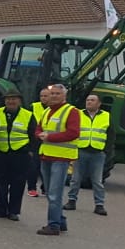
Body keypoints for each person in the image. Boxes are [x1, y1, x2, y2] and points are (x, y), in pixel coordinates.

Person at [33, 83, 81, 236]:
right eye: (51, 93)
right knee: (49, 191)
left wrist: (49, 137)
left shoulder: (71, 111)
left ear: (64, 96)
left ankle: (53, 225)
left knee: (54, 192)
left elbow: (73, 133)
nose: (53, 96)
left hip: (61, 157)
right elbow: (39, 128)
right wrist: (39, 134)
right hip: (46, 154)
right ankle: (60, 221)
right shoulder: (47, 111)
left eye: (57, 94)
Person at [0, 91, 33, 221]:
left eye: (13, 99)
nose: (10, 101)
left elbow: (32, 134)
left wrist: (30, 151)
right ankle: (0, 209)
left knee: (17, 184)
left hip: (20, 154)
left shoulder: (28, 115)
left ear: (19, 101)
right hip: (0, 152)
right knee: (0, 183)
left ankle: (13, 211)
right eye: (8, 99)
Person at [66, 94, 110, 215]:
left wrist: (107, 150)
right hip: (81, 150)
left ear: (99, 103)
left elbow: (111, 134)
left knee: (97, 181)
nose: (89, 102)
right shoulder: (79, 114)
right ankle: (71, 201)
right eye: (88, 100)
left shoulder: (106, 116)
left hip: (97, 152)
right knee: (75, 178)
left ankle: (99, 205)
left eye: (92, 100)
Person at [28, 87, 50, 197]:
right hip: (35, 141)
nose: (43, 98)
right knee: (33, 166)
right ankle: (32, 188)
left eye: (46, 96)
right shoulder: (33, 107)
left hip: (49, 141)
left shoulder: (54, 109)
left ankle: (45, 188)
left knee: (46, 166)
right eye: (41, 96)